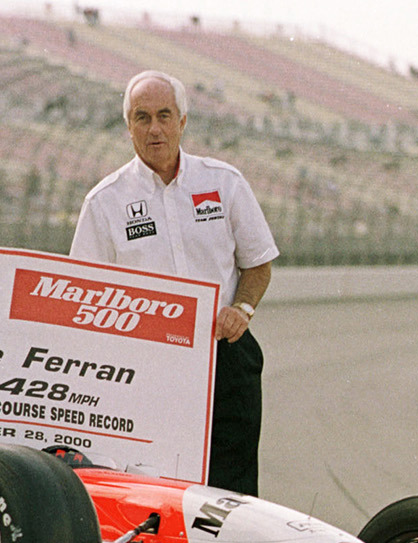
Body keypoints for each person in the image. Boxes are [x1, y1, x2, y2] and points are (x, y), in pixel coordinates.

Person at [70, 70, 276, 496]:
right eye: (142, 118)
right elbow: (83, 292)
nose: (154, 128)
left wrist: (243, 310)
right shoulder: (105, 202)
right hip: (146, 367)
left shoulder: (223, 183)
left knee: (231, 490)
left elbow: (258, 263)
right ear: (128, 126)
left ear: (183, 121)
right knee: (154, 487)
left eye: (165, 116)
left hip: (224, 356)